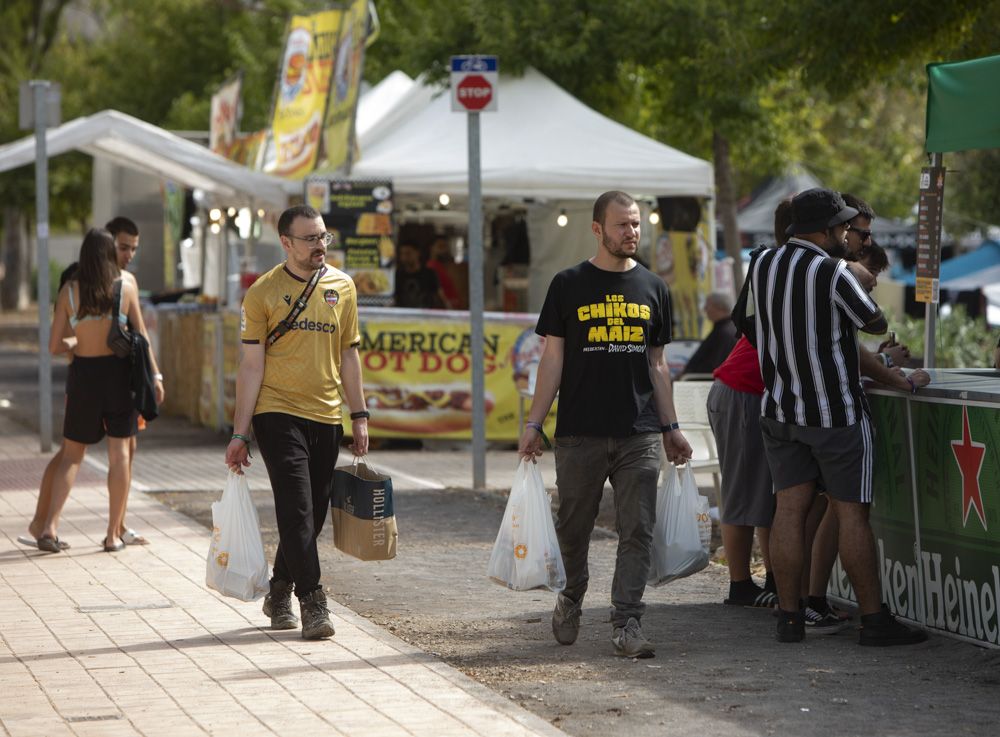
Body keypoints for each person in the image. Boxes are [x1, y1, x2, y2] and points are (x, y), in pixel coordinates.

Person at [740, 187, 927, 646]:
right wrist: (855, 275)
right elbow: (876, 323)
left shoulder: (762, 262)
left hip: (780, 407)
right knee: (852, 515)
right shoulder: (833, 270)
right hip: (835, 414)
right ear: (825, 230)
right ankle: (874, 620)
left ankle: (789, 616)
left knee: (789, 509)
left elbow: (744, 320)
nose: (848, 233)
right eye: (843, 226)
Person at [518, 190, 693, 659]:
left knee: (638, 528)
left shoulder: (654, 288)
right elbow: (552, 359)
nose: (631, 233)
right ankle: (572, 596)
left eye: (636, 224)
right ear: (597, 229)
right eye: (622, 225)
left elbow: (658, 365)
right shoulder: (568, 283)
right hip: (579, 431)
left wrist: (670, 426)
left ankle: (627, 621)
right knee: (573, 527)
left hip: (638, 431)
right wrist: (535, 423)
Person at [225, 204, 369, 641]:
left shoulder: (343, 287)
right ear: (285, 242)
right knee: (296, 509)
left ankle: (279, 589)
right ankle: (313, 601)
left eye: (323, 236)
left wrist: (359, 415)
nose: (319, 246)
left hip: (326, 414)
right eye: (309, 239)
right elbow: (251, 368)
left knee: (314, 515)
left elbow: (349, 354)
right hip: (276, 413)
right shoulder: (263, 293)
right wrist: (240, 432)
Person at [19, 217, 157, 551]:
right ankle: (112, 535)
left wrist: (75, 342)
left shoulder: (69, 291)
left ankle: (50, 528)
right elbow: (141, 335)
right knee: (119, 454)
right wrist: (155, 376)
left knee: (72, 456)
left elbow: (53, 346)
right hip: (118, 376)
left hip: (83, 377)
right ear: (110, 253)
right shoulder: (126, 285)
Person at [679, 292, 737, 378]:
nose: (704, 309)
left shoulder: (725, 333)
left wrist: (687, 375)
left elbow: (714, 365)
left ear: (720, 307)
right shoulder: (725, 328)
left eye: (708, 305)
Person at [394, 242, 448, 308]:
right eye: (402, 254)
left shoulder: (429, 274)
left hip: (425, 315)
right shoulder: (397, 275)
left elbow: (441, 296)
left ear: (417, 253)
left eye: (408, 253)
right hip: (403, 315)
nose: (404, 258)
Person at [426, 237, 461, 308]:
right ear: (431, 248)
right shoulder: (431, 267)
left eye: (445, 247)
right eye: (440, 246)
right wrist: (447, 305)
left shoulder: (444, 266)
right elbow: (437, 291)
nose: (443, 250)